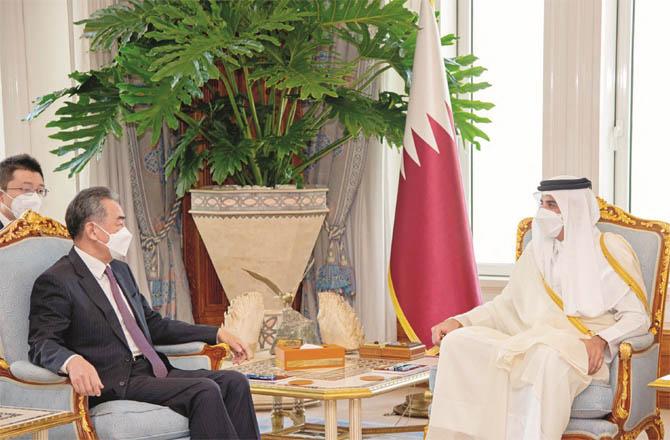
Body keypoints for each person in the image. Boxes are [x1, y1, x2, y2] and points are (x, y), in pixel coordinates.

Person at [427, 176, 650, 440]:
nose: (545, 212)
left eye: (553, 204)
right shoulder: (537, 250)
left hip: (579, 348)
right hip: (531, 340)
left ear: (574, 208)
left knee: (547, 358)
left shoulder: (608, 249)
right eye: (542, 203)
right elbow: (505, 306)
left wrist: (602, 340)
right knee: (460, 342)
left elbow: (638, 318)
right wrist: (460, 321)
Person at [29, 186, 260, 440]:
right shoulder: (57, 280)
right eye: (119, 224)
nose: (125, 232)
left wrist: (217, 333)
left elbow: (154, 325)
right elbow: (42, 342)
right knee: (204, 390)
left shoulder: (119, 270)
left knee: (235, 382)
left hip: (152, 370)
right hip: (115, 378)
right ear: (93, 230)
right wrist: (73, 361)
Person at [0, 154, 46, 229]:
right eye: (26, 189)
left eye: (40, 191)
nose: (35, 198)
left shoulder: (43, 231)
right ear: (1, 195)